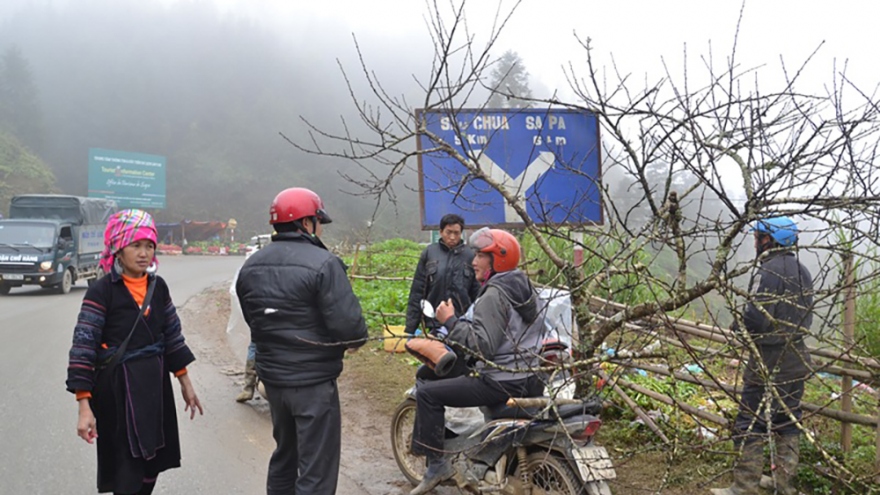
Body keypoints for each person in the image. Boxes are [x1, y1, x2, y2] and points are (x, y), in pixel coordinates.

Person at [235, 187, 369, 495]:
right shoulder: (324, 263)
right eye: (319, 221)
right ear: (306, 223)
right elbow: (351, 328)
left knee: (285, 455)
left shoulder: (251, 266)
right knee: (316, 469)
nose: (320, 228)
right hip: (313, 384)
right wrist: (353, 340)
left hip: (274, 382)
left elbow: (254, 321)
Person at [66, 209, 203, 495]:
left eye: (149, 246)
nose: (144, 253)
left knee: (152, 463)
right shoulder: (102, 291)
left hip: (155, 388)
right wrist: (84, 405)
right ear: (118, 248)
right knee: (127, 466)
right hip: (119, 390)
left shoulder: (158, 286)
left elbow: (172, 335)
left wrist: (185, 382)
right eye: (136, 245)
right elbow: (83, 346)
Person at [409, 227, 546, 495]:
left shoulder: (494, 294)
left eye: (481, 256)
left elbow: (482, 347)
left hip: (502, 382)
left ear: (498, 259)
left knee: (427, 393)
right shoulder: (525, 287)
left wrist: (449, 321)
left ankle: (437, 466)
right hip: (531, 379)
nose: (473, 262)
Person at [711, 216, 814, 495]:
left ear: (768, 239)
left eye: (758, 237)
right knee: (788, 420)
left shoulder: (767, 270)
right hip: (796, 357)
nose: (755, 243)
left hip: (767, 359)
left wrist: (739, 326)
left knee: (750, 421)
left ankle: (744, 487)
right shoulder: (803, 270)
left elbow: (756, 318)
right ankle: (783, 485)